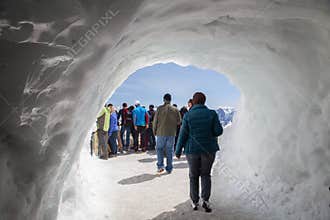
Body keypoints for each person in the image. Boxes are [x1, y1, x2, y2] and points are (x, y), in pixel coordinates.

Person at [175, 92, 223, 212]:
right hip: (209, 150)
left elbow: (182, 134)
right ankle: (205, 200)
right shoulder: (212, 114)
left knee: (193, 175)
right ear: (204, 101)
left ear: (194, 101)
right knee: (206, 175)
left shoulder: (188, 115)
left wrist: (178, 150)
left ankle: (194, 201)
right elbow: (218, 131)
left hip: (192, 151)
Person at [153, 93, 181, 174]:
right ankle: (169, 168)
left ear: (163, 99)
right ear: (170, 100)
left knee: (159, 149)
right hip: (172, 133)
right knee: (170, 150)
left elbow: (155, 121)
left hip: (160, 132)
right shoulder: (175, 109)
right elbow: (179, 121)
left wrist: (154, 131)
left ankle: (160, 166)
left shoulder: (159, 109)